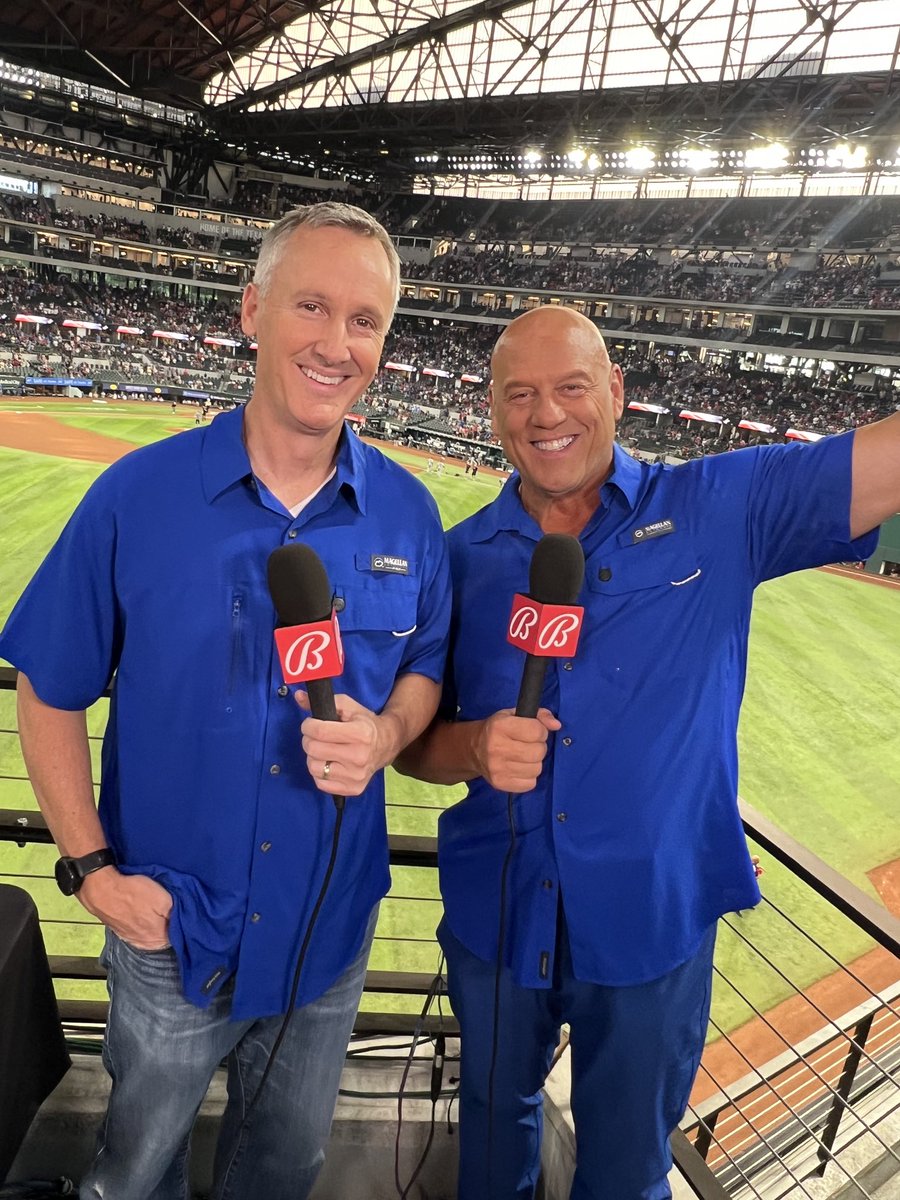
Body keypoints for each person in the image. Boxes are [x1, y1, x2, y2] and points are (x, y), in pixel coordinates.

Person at [397, 305, 899, 1200]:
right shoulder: (457, 559)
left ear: (617, 393)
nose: (546, 414)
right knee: (486, 1128)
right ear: (493, 411)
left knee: (628, 1169)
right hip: (499, 907)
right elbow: (415, 746)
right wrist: (473, 746)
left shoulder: (722, 505)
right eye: (521, 395)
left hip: (651, 918)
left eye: (571, 388)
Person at [0, 203, 450, 1200]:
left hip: (328, 939)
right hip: (171, 929)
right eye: (312, 306)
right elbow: (48, 683)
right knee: (134, 1168)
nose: (337, 344)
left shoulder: (410, 515)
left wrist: (388, 731)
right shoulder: (135, 496)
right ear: (253, 311)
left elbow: (426, 669)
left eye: (365, 320)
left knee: (283, 1168)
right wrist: (90, 870)